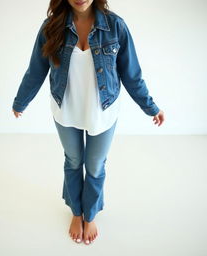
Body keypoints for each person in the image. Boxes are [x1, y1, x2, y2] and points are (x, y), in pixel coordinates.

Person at [12, 0, 165, 245]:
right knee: (73, 161)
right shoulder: (50, 27)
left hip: (103, 111)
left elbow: (131, 73)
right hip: (66, 109)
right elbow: (36, 70)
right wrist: (21, 101)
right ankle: (76, 212)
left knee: (95, 167)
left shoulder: (116, 26)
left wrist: (150, 106)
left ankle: (90, 214)